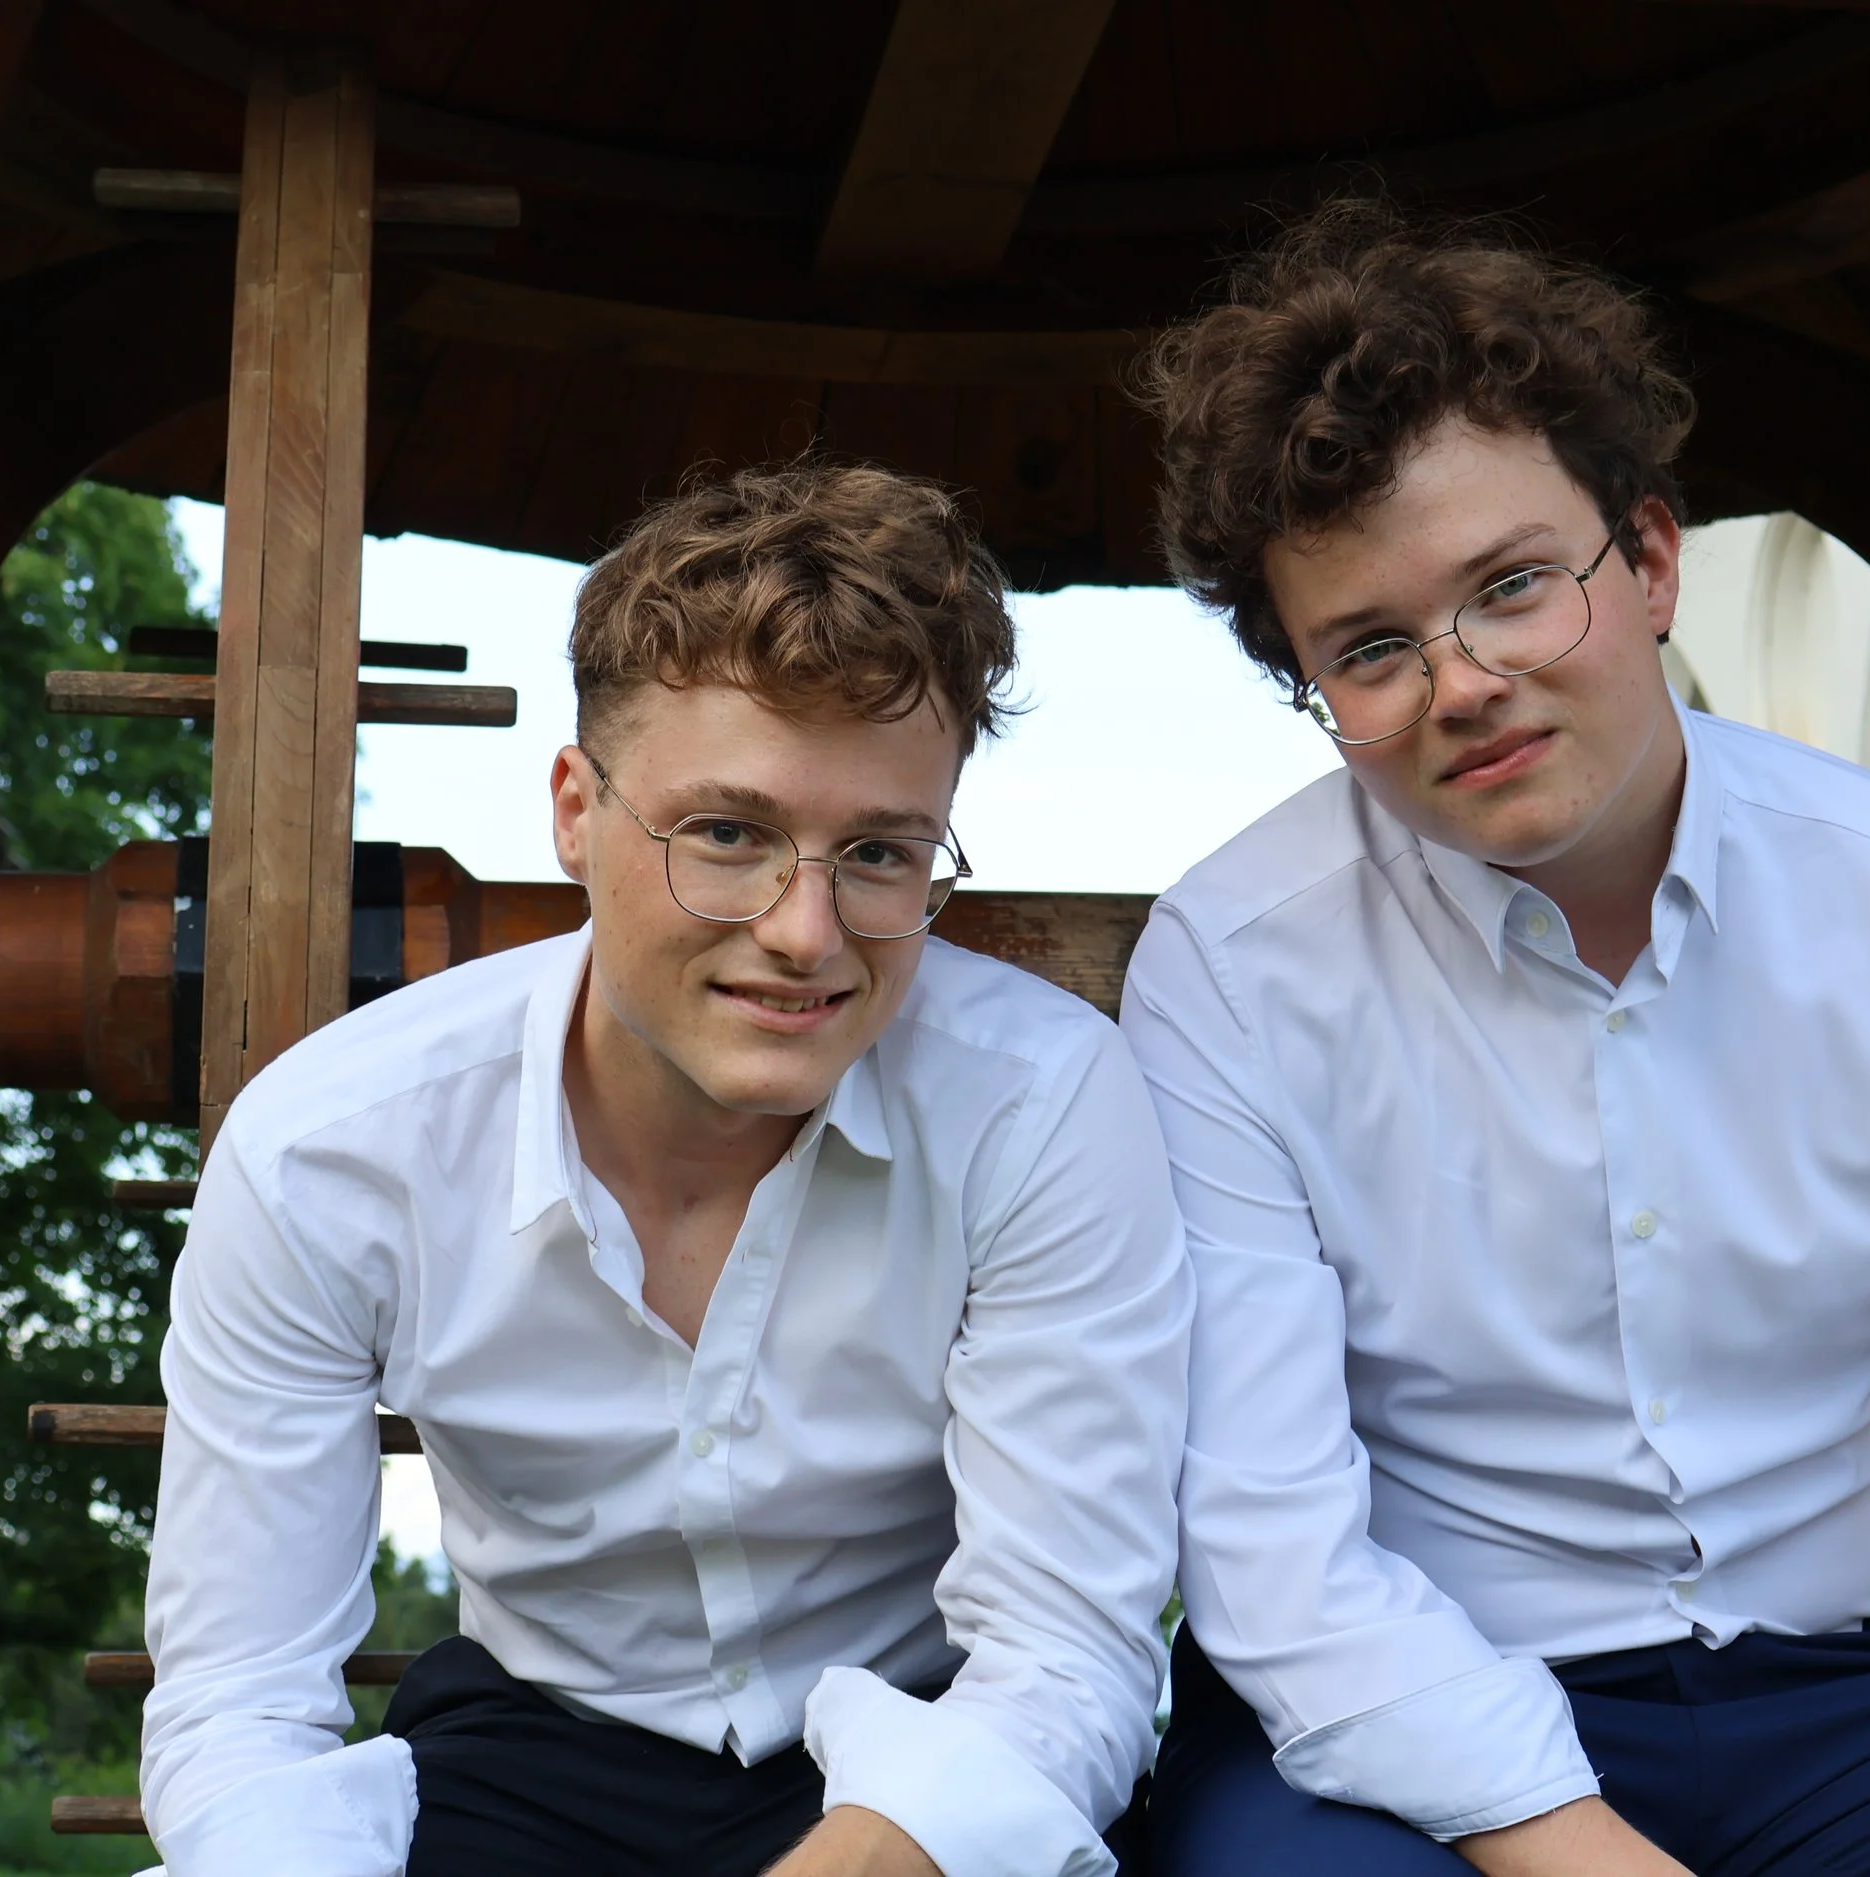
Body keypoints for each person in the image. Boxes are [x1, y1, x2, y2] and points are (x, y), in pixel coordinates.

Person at [1121, 201, 1870, 1876]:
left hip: (1846, 1706)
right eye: (1368, 649)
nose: (1461, 683)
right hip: (1409, 1724)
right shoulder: (1229, 964)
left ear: (1650, 560)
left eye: (1512, 587)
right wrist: (1569, 1846)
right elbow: (1271, 1540)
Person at [137, 463, 1191, 1877]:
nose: (805, 931)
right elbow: (239, 1705)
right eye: (729, 835)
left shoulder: (1043, 1106)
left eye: (878, 852)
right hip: (532, 1751)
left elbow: (1066, 1653)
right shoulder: (327, 1151)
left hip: (935, 1738)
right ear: (576, 810)